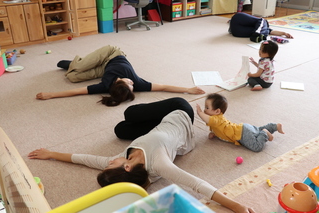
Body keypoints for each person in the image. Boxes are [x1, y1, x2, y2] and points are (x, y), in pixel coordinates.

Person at [28, 97, 255, 213]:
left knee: (121, 129)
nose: (108, 161)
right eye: (111, 165)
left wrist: (52, 154)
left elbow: (85, 159)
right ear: (126, 168)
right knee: (130, 113)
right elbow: (197, 184)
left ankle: (140, 119)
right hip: (180, 113)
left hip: (159, 127)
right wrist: (235, 206)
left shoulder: (122, 161)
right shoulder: (160, 164)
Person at [36, 45, 205, 106]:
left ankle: (74, 65)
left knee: (71, 77)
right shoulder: (137, 82)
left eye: (130, 84)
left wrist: (51, 95)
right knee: (78, 68)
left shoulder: (106, 86)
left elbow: (78, 91)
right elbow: (163, 86)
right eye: (131, 84)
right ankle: (77, 62)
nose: (132, 82)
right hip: (110, 54)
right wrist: (187, 90)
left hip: (105, 68)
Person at [196, 93, 284, 152]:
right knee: (257, 130)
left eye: (207, 108)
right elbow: (220, 128)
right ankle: (274, 126)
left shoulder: (215, 119)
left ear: (217, 111)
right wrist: (214, 133)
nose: (204, 110)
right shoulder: (217, 119)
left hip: (241, 134)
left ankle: (265, 133)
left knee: (256, 147)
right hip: (242, 128)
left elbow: (206, 119)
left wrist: (199, 112)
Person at [228, 12, 293, 42]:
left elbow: (271, 31)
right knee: (262, 21)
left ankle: (258, 34)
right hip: (236, 29)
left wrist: (284, 33)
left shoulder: (265, 30)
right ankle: (257, 34)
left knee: (265, 30)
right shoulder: (262, 24)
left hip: (236, 32)